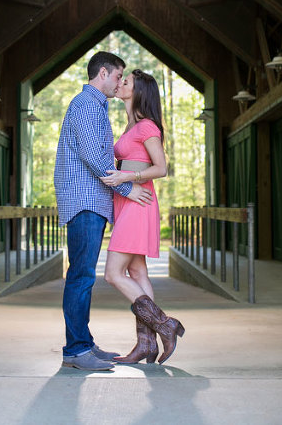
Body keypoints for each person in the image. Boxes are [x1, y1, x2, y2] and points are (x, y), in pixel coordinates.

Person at [54, 51, 154, 372]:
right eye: (117, 76)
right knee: (80, 276)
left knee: (83, 276)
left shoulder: (95, 107)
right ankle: (77, 349)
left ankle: (83, 343)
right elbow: (94, 157)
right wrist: (128, 188)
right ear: (103, 74)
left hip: (93, 201)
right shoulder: (85, 106)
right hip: (85, 202)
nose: (118, 83)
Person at [101, 69, 185, 364]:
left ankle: (165, 325)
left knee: (112, 273)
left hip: (139, 202)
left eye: (127, 82)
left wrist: (129, 176)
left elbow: (160, 168)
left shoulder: (147, 126)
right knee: (137, 273)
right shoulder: (130, 127)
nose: (120, 83)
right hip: (128, 202)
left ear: (139, 93)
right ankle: (146, 345)